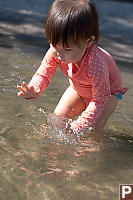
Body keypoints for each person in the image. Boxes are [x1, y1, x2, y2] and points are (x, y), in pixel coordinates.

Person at [17, 0, 127, 133]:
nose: (59, 54)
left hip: (107, 95)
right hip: (79, 89)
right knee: (55, 121)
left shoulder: (95, 62)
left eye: (67, 49)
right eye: (54, 45)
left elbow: (99, 99)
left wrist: (78, 125)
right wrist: (34, 89)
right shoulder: (57, 50)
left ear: (88, 41)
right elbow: (44, 73)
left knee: (92, 134)